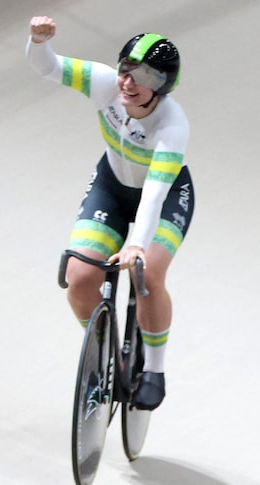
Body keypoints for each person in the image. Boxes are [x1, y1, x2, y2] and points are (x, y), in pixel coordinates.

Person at [27, 16, 195, 411]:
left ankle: (154, 369)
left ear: (163, 87)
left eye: (145, 76)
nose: (129, 82)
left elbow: (154, 193)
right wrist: (38, 41)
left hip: (166, 195)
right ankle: (104, 355)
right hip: (112, 186)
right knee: (80, 278)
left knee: (147, 276)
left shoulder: (172, 126)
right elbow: (48, 67)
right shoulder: (104, 83)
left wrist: (137, 245)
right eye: (126, 69)